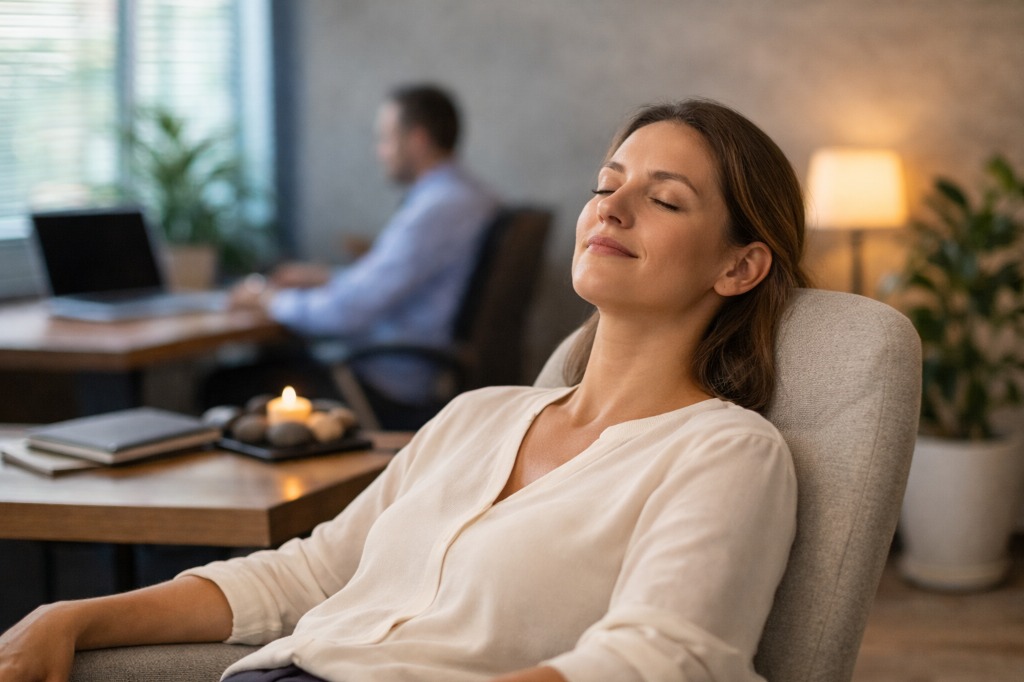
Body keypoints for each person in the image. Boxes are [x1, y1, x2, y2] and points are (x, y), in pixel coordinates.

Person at [0, 98, 810, 682]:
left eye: (665, 198)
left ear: (739, 266)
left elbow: (661, 661)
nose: (614, 207)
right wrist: (71, 616)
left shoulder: (724, 451)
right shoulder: (475, 416)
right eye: (607, 183)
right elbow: (309, 577)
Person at [221, 83, 499, 416]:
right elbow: (387, 282)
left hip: (385, 381)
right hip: (414, 367)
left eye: (385, 138)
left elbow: (348, 312)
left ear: (418, 140)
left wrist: (268, 299)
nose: (379, 151)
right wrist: (324, 278)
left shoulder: (437, 208)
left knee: (225, 384)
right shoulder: (472, 196)